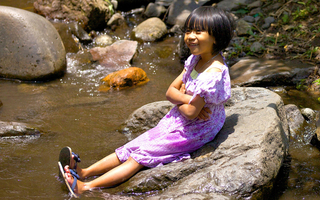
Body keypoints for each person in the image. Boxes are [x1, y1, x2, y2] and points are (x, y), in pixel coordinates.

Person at [58, 6, 235, 197]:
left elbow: (190, 111)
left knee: (139, 156)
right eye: (188, 31)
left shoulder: (213, 73)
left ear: (216, 37)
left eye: (198, 32)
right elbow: (169, 92)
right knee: (130, 147)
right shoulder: (195, 59)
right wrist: (189, 100)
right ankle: (84, 172)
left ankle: (84, 187)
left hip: (197, 129)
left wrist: (186, 101)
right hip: (180, 118)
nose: (190, 36)